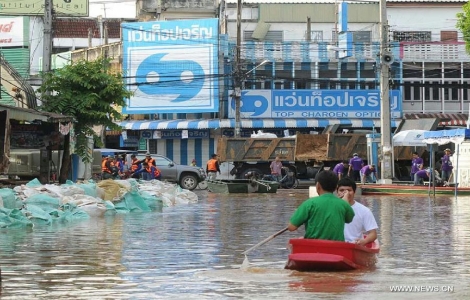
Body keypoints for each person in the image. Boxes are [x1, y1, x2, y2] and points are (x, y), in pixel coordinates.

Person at [287, 170, 355, 241]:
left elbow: (291, 227)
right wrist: (346, 201)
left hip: (313, 248)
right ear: (336, 187)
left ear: (317, 185)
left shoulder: (309, 203)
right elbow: (349, 219)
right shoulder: (343, 204)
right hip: (336, 248)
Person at [337, 178, 378, 246]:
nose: (345, 193)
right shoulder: (331, 208)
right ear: (337, 192)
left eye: (349, 190)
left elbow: (373, 234)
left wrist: (364, 241)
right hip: (336, 245)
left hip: (354, 245)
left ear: (354, 192)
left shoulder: (364, 210)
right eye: (341, 190)